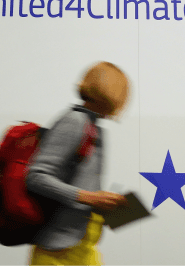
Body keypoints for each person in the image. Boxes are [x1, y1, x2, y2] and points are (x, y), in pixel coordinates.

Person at [25, 61, 130, 266]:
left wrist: (104, 205)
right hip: (57, 251)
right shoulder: (74, 121)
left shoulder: (94, 127)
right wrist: (89, 197)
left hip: (83, 244)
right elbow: (36, 176)